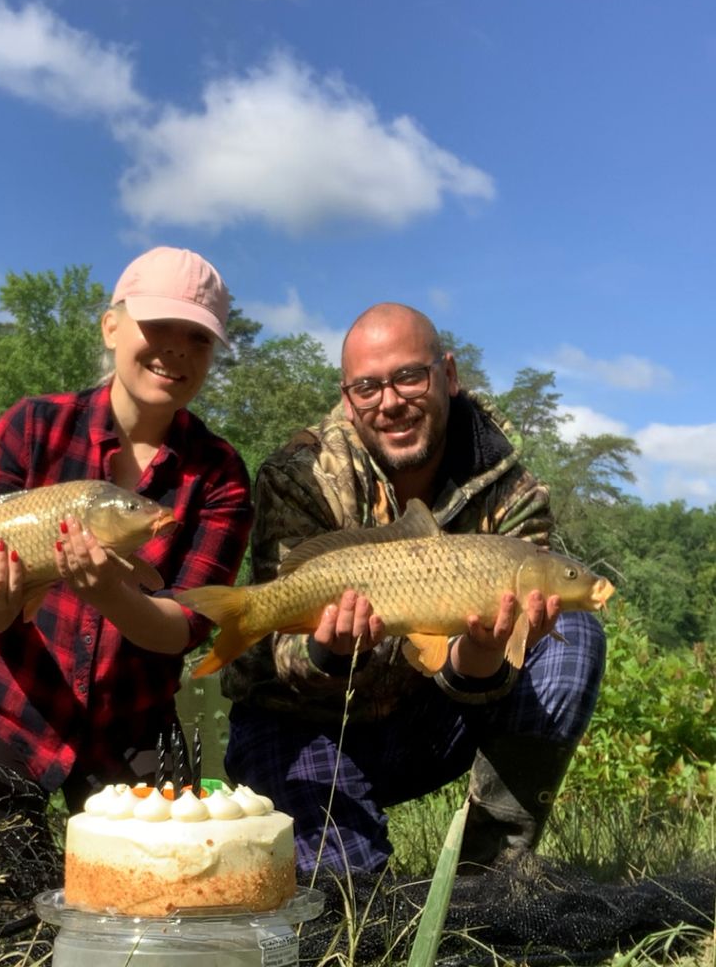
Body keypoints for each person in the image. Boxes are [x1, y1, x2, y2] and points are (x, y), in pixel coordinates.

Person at [221, 302, 606, 874]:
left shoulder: (513, 493)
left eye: (409, 377)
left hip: (421, 724)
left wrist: (479, 654)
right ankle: (349, 852)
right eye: (368, 387)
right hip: (300, 724)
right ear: (348, 398)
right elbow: (277, 660)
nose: (391, 402)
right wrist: (329, 649)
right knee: (349, 892)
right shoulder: (301, 473)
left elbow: (474, 674)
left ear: (447, 374)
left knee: (575, 632)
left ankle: (487, 871)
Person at [0, 246, 253, 862]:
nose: (177, 350)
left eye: (198, 338)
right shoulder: (28, 428)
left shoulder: (220, 474)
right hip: (0, 698)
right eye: (158, 326)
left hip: (132, 721)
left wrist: (110, 594)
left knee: (170, 882)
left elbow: (185, 627)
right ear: (111, 326)